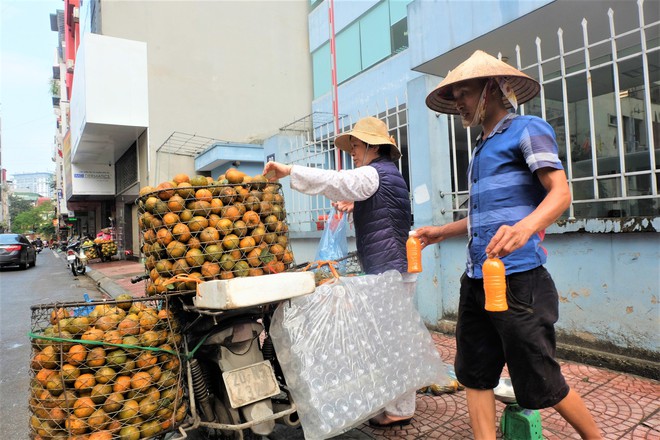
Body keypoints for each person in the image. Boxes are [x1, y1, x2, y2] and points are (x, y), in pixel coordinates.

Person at [416, 50, 602, 439]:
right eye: (455, 96)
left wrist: (525, 228)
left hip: (520, 279)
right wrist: (442, 232)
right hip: (477, 277)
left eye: (464, 92)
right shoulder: (481, 147)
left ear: (493, 89)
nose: (459, 102)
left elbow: (560, 194)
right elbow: (486, 216)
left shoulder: (527, 129)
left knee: (539, 372)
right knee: (475, 372)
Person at [263, 116, 418, 427]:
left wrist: (289, 170)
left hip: (389, 269)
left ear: (374, 147)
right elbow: (364, 197)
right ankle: (397, 403)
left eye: (357, 146)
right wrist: (356, 204)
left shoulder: (374, 174)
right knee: (392, 338)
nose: (353, 153)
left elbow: (337, 181)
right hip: (394, 266)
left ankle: (401, 410)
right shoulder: (389, 176)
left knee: (391, 341)